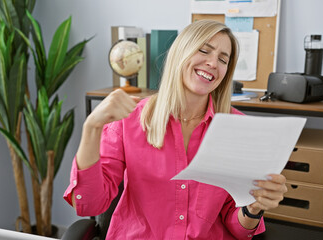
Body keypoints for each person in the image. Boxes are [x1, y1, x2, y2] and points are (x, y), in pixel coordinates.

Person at [64, 20, 287, 239]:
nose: (212, 63)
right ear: (181, 53)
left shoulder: (237, 129)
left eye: (222, 59)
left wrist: (254, 207)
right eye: (204, 50)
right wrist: (92, 127)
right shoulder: (130, 119)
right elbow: (89, 204)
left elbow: (238, 228)